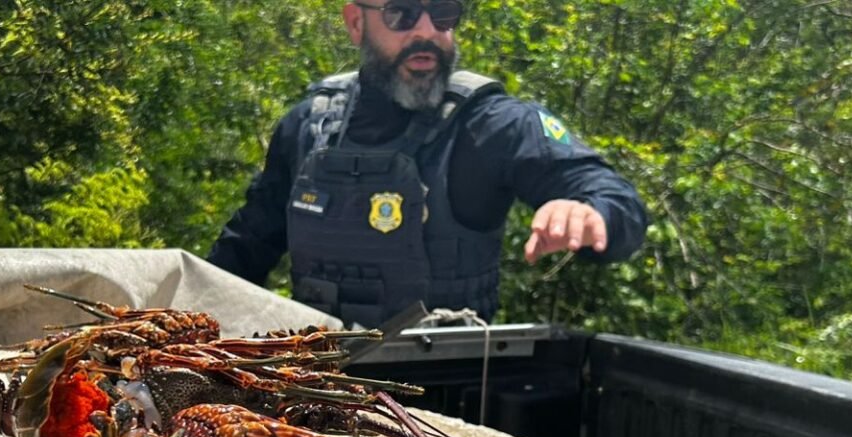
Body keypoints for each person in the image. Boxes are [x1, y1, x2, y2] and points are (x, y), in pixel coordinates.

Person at [206, 0, 648, 327]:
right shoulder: (307, 127)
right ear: (357, 21)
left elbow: (615, 199)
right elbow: (244, 250)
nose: (427, 32)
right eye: (403, 13)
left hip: (450, 405)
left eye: (443, 13)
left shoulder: (490, 126)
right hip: (319, 389)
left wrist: (590, 213)